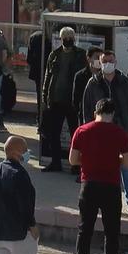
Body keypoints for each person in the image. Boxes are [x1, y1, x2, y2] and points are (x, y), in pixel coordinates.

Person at [69, 99, 128, 254]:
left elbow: (73, 160)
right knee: (111, 232)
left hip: (88, 185)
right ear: (112, 114)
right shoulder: (119, 133)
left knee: (84, 229)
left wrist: (89, 160)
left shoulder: (82, 130)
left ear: (95, 111)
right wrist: (115, 159)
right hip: (110, 186)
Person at [82, 50, 128, 216]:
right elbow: (87, 109)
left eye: (110, 60)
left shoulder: (125, 82)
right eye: (104, 61)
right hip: (98, 132)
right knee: (101, 167)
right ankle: (100, 202)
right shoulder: (93, 83)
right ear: (99, 63)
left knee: (127, 167)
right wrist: (87, 130)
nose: (107, 63)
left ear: (115, 62)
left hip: (121, 130)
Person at [41, 27, 86, 172]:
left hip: (72, 100)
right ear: (60, 39)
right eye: (65, 37)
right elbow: (48, 75)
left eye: (70, 36)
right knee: (54, 133)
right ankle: (55, 162)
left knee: (75, 134)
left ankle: (75, 164)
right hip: (56, 99)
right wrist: (45, 94)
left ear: (74, 38)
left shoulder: (80, 55)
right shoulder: (54, 55)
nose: (67, 39)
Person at [73, 46, 102, 128]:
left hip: (101, 115)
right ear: (88, 58)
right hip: (85, 115)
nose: (99, 60)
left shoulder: (105, 75)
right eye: (97, 57)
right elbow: (76, 98)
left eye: (101, 57)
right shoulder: (80, 76)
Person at [27, 28, 51, 118]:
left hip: (37, 71)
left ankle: (40, 118)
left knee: (40, 95)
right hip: (50, 70)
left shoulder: (34, 36)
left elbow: (29, 58)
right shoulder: (50, 37)